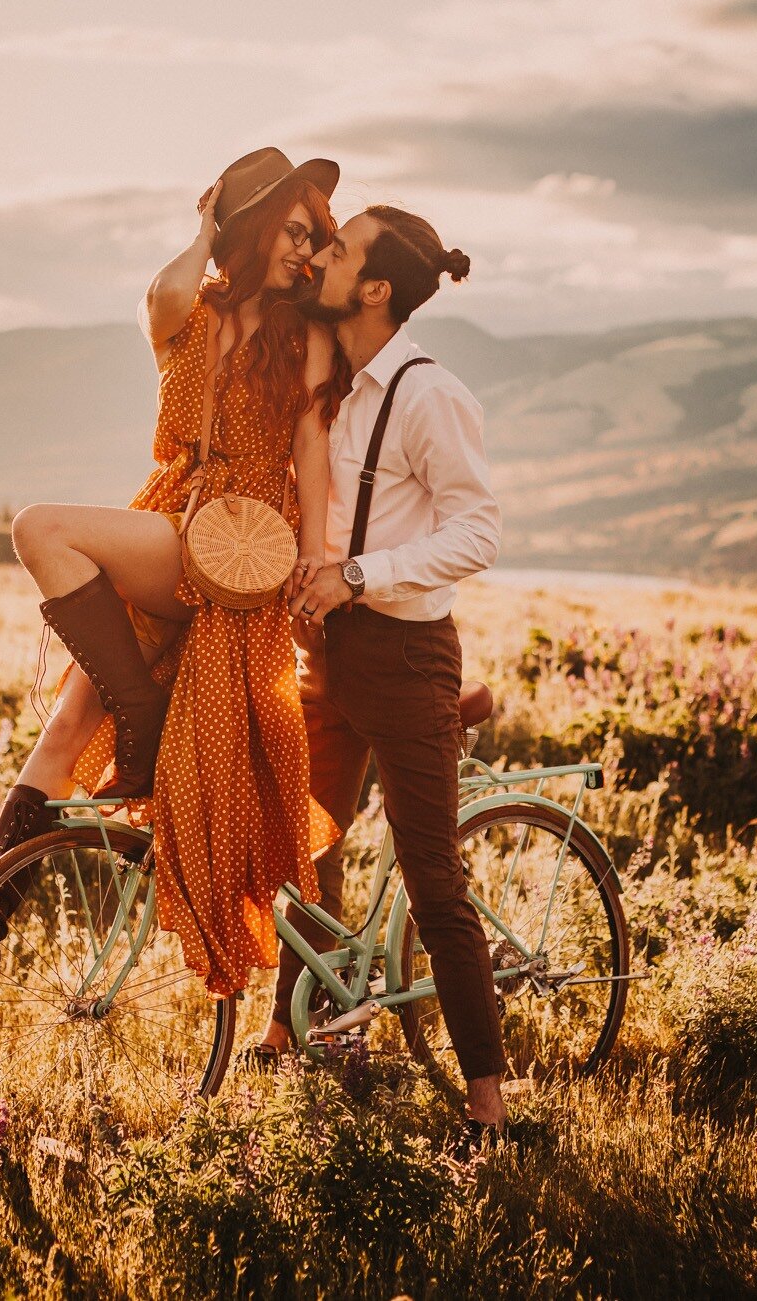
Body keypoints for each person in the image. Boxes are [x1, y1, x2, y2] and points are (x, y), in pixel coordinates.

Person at [0, 148, 344, 1001]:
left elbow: (312, 450)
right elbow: (166, 292)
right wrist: (206, 219)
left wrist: (311, 553)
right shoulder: (186, 311)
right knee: (59, 737)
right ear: (246, 226)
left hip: (238, 544)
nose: (306, 251)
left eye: (315, 237)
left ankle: (140, 715)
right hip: (177, 517)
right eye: (292, 230)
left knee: (39, 527)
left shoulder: (305, 335)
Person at [271, 204, 509, 1154]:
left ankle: (490, 1108)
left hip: (408, 661)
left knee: (433, 880)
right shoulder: (333, 371)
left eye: (337, 248)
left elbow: (478, 531)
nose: (319, 255)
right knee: (306, 843)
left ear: (375, 288)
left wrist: (359, 576)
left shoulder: (428, 394)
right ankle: (297, 1030)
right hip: (328, 656)